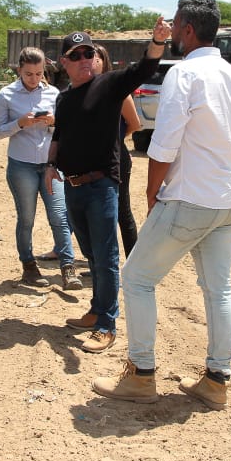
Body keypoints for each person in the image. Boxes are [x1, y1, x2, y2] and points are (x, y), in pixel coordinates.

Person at [92, 0, 231, 409]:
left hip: (189, 198)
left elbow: (164, 143)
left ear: (187, 29)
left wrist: (152, 193)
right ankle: (216, 381)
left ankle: (141, 375)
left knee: (137, 278)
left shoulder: (184, 74)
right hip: (229, 200)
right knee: (218, 289)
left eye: (176, 24)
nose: (172, 32)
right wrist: (221, 169)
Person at [45, 30, 163, 353]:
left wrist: (157, 43)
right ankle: (97, 309)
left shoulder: (109, 85)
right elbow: (59, 134)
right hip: (72, 186)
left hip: (101, 186)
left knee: (106, 255)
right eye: (77, 55)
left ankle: (107, 325)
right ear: (65, 62)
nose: (85, 59)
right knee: (91, 253)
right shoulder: (63, 98)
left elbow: (143, 70)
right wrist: (51, 164)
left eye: (89, 53)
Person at [0, 47, 82, 291]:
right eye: (28, 74)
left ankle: (68, 268)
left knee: (60, 216)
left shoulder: (54, 93)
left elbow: (64, 130)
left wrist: (54, 122)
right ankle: (29, 266)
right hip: (21, 165)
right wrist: (20, 123)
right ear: (19, 70)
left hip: (51, 165)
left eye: (38, 73)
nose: (34, 79)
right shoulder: (6, 94)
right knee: (26, 218)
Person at [92, 43, 142, 257]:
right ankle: (102, 263)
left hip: (116, 158)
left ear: (104, 62)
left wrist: (116, 139)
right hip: (91, 159)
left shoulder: (118, 91)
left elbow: (135, 124)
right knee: (98, 213)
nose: (89, 62)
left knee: (121, 211)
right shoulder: (80, 91)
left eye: (95, 58)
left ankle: (133, 262)